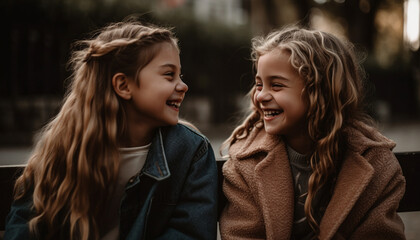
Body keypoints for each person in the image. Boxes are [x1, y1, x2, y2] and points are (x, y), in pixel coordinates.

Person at [4, 20, 218, 240]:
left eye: (180, 75)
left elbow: (190, 234)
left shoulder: (191, 152)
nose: (183, 86)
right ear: (124, 86)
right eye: (168, 75)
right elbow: (23, 229)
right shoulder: (63, 147)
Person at [219, 26, 406, 240]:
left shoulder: (375, 163)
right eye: (259, 84)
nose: (260, 96)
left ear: (321, 92)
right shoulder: (246, 165)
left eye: (276, 85)